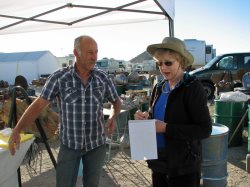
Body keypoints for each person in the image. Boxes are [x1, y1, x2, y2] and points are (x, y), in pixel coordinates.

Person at [8, 35, 121, 187]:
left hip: (96, 144)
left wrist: (113, 116)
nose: (94, 57)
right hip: (70, 145)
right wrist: (17, 130)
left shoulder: (102, 77)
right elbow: (38, 105)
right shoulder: (60, 77)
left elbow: (116, 101)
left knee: (92, 184)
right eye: (89, 52)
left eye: (96, 52)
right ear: (76, 52)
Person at [134, 37, 212, 187]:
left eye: (168, 63)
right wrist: (146, 118)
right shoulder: (159, 87)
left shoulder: (192, 88)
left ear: (181, 62)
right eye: (160, 63)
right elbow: (156, 116)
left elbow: (204, 130)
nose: (163, 68)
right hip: (158, 161)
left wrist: (166, 128)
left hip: (183, 166)